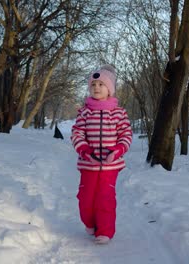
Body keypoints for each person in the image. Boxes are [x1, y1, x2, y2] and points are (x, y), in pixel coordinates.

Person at [71, 64, 132, 244]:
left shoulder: (118, 113)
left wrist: (118, 150)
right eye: (93, 85)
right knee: (85, 198)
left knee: (105, 198)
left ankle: (105, 231)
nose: (96, 88)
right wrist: (84, 149)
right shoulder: (85, 113)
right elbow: (77, 133)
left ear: (110, 89)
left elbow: (126, 135)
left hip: (110, 165)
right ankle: (90, 223)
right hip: (88, 164)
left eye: (101, 84)